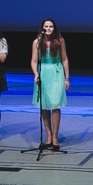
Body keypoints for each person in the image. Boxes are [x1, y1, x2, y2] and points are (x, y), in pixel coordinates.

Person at [31, 18, 69, 150]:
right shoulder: (37, 42)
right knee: (44, 106)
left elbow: (64, 59)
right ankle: (48, 136)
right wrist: (36, 74)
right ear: (42, 28)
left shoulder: (60, 41)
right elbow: (34, 61)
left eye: (51, 26)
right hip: (43, 73)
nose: (48, 29)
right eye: (46, 26)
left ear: (54, 28)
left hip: (56, 73)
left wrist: (67, 78)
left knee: (55, 105)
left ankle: (55, 137)